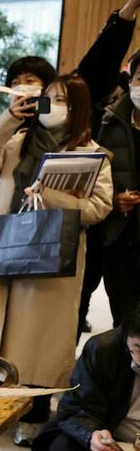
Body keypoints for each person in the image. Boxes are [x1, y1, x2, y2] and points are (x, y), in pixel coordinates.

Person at [0, 74, 113, 446]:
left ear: (77, 110)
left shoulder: (94, 155)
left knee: (37, 339)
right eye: (48, 99)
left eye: (62, 101)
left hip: (51, 251)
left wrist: (54, 196)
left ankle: (34, 413)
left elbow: (98, 208)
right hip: (4, 240)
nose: (52, 107)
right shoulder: (19, 141)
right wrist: (10, 117)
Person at [20, 303, 140, 451]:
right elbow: (76, 408)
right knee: (63, 449)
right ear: (126, 338)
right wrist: (93, 436)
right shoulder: (104, 349)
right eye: (138, 348)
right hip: (116, 445)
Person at [73, 0, 140, 338]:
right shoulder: (104, 113)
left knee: (131, 324)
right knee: (72, 312)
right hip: (96, 230)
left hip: (135, 239)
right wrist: (128, 11)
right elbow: (92, 71)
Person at [95, 51, 140, 329]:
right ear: (130, 80)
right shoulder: (108, 121)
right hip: (119, 234)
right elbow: (93, 177)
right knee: (123, 319)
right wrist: (113, 201)